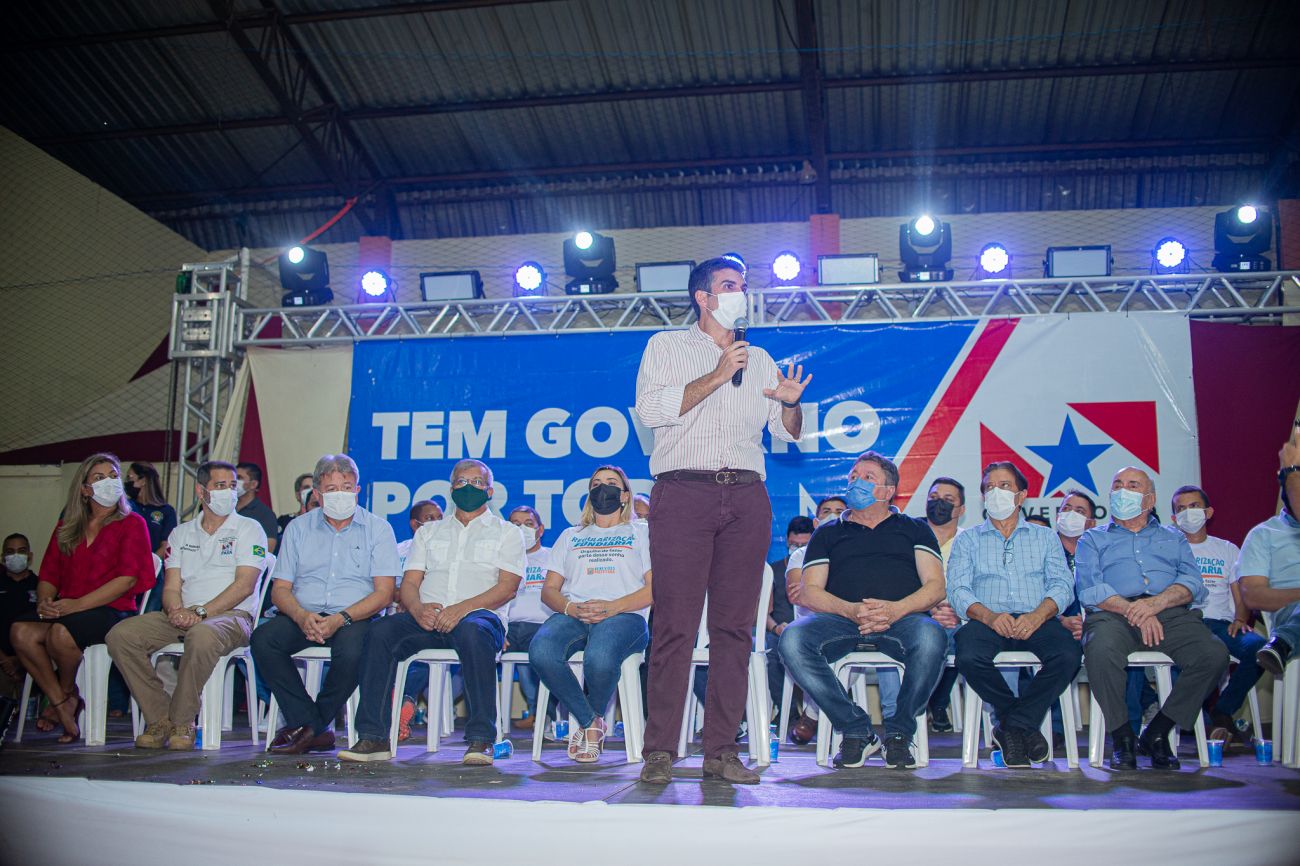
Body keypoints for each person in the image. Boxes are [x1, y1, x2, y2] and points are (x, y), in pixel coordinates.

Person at [634, 256, 810, 785]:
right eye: (729, 285)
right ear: (703, 297)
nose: (740, 294)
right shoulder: (666, 346)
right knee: (674, 625)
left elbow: (788, 433)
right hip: (683, 491)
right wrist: (717, 373)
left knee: (734, 627)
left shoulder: (761, 358)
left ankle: (721, 750)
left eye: (744, 286)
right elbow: (652, 412)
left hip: (747, 495)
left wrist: (792, 405)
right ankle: (660, 749)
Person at [340, 459, 524, 765]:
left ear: (490, 491)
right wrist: (417, 608)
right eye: (461, 482)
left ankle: (481, 739)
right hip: (427, 616)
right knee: (380, 632)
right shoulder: (429, 532)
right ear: (451, 488)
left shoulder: (507, 533)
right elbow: (410, 583)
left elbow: (507, 588)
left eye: (476, 483)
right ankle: (374, 736)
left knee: (473, 631)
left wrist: (460, 610)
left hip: (479, 616)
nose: (468, 488)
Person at [779, 451, 947, 770]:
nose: (857, 482)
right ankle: (856, 728)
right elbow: (809, 592)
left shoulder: (915, 529)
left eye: (868, 477)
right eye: (853, 476)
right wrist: (851, 610)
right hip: (841, 620)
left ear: (888, 490)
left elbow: (936, 587)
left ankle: (899, 733)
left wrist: (896, 610)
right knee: (792, 640)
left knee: (932, 638)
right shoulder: (827, 532)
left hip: (903, 619)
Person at [105, 460, 266, 750]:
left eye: (232, 486)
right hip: (185, 614)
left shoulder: (249, 528)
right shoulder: (181, 533)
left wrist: (201, 613)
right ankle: (159, 718)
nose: (229, 492)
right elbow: (170, 587)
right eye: (220, 486)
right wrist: (175, 610)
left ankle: (183, 721)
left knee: (201, 635)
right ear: (201, 491)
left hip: (232, 616)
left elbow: (245, 586)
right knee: (121, 635)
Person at [1075, 466, 1228, 769]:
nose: (1123, 491)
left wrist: (1155, 604)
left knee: (1213, 654)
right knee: (1100, 649)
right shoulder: (1092, 538)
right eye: (1117, 484)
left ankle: (1158, 731)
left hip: (1168, 613)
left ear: (1150, 499)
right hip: (1113, 614)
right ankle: (1122, 737)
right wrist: (1136, 610)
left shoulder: (1174, 537)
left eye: (1132, 485)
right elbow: (1090, 589)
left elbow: (1192, 583)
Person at [251, 454, 399, 755]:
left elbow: (384, 594)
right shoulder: (298, 528)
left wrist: (340, 618)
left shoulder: (378, 529)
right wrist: (301, 615)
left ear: (358, 490)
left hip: (355, 615)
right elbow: (280, 590)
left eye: (347, 487)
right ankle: (313, 725)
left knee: (355, 650)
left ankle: (309, 728)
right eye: (331, 489)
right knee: (263, 640)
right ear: (317, 494)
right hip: (302, 613)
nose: (340, 494)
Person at [9, 453, 155, 743]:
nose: (109, 482)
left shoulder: (132, 523)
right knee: (20, 631)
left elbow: (127, 580)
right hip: (68, 609)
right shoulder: (67, 526)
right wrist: (45, 602)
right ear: (85, 489)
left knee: (61, 634)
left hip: (112, 611)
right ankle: (63, 700)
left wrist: (75, 605)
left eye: (113, 476)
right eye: (99, 478)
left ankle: (64, 696)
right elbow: (49, 574)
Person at [947, 462, 1081, 767]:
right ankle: (1022, 724)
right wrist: (990, 617)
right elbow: (957, 589)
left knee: (1068, 655)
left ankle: (1011, 726)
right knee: (968, 656)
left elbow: (1063, 585)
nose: (996, 492)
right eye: (990, 487)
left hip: (1037, 618)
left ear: (1021, 496)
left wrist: (1038, 615)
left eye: (1004, 486)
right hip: (987, 620)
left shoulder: (1045, 537)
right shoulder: (968, 539)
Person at [529, 466, 652, 763]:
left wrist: (613, 607)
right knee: (541, 651)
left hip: (624, 615)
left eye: (611, 483)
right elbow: (549, 591)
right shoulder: (571, 535)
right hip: (575, 612)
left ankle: (589, 725)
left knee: (599, 657)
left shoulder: (642, 532)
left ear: (625, 495)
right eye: (596, 483)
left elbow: (655, 589)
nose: (602, 488)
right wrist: (570, 608)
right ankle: (591, 721)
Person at [1169, 484, 1263, 746]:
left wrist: (1240, 619)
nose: (1188, 513)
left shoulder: (1227, 549)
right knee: (1192, 661)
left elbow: (1240, 593)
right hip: (1184, 624)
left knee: (1259, 649)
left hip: (1221, 624)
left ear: (1208, 512)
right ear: (1174, 518)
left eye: (1194, 506)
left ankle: (1222, 710)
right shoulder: (1169, 550)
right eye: (1181, 509)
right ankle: (1198, 722)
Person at [784, 496, 847, 744]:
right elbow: (796, 594)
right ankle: (838, 714)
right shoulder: (801, 554)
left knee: (849, 650)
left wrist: (816, 592)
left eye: (840, 511)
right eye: (827, 511)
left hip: (848, 624)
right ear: (816, 521)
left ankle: (812, 714)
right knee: (807, 649)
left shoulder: (856, 551)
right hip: (811, 627)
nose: (833, 516)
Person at [1240, 428, 1300, 679]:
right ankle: (1283, 641)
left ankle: (1282, 642)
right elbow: (1253, 596)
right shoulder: (1264, 534)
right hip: (1290, 611)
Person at [921, 477, 966, 732]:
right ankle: (931, 702)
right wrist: (928, 609)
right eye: (934, 498)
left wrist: (959, 613)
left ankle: (931, 700)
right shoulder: (910, 536)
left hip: (958, 615)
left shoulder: (970, 541)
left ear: (961, 509)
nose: (939, 504)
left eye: (948, 500)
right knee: (931, 633)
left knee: (954, 634)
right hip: (917, 614)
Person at [504, 506, 552, 730]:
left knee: (541, 655)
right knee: (478, 645)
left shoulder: (552, 557)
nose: (522, 529)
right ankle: (487, 724)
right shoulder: (501, 560)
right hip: (508, 627)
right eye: (515, 524)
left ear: (540, 530)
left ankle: (545, 716)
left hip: (542, 625)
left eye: (528, 523)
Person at [765, 516, 813, 727]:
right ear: (786, 541)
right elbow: (761, 612)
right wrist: (776, 627)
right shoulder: (772, 571)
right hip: (780, 631)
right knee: (772, 650)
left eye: (804, 545)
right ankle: (790, 714)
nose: (798, 550)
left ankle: (820, 714)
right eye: (794, 545)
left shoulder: (821, 571)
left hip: (813, 630)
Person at [0, 535, 39, 703]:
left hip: (33, 660)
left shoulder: (41, 586)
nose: (16, 556)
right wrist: (5, 661)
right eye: (10, 552)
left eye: (21, 551)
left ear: (29, 556)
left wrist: (19, 661)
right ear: (3, 557)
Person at [124, 462, 177, 560]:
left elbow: (166, 544)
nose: (126, 482)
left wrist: (151, 563)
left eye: (129, 477)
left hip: (154, 565)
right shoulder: (125, 506)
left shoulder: (166, 511)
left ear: (143, 480)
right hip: (127, 564)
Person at [236, 461, 280, 553]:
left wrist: (242, 550)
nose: (234, 482)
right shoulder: (226, 509)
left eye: (239, 478)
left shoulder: (265, 514)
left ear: (253, 484)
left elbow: (268, 549)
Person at [276, 473, 317, 540]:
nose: (311, 491)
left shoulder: (325, 520)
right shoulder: (285, 521)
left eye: (314, 487)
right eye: (307, 487)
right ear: (297, 495)